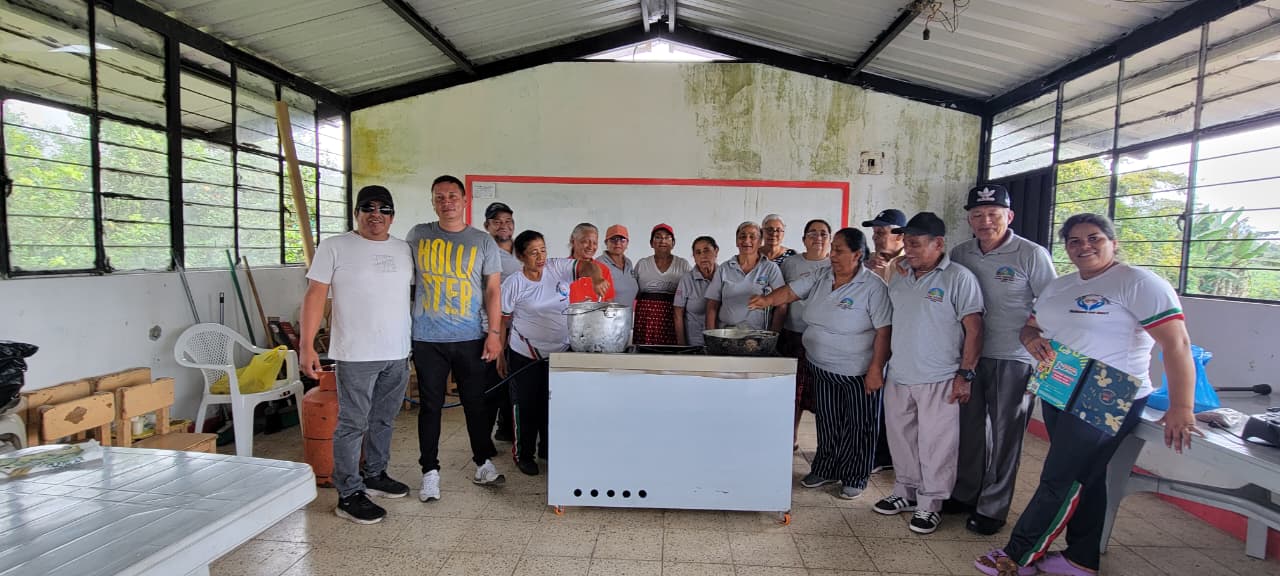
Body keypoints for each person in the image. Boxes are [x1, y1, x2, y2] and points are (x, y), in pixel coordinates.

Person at [975, 213, 1199, 576]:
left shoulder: (1137, 282)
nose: (1084, 247)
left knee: (1060, 476)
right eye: (1074, 241)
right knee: (1088, 476)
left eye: (1094, 238)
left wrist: (1181, 406)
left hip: (1108, 390)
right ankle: (1080, 559)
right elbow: (1030, 327)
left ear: (1113, 242)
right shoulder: (1060, 286)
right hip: (1059, 384)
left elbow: (1177, 344)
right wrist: (1031, 339)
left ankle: (1018, 555)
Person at [749, 228, 891, 500]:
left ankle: (855, 476)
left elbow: (884, 331)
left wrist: (876, 369)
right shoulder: (822, 275)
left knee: (858, 425)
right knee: (827, 420)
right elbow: (791, 291)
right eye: (832, 248)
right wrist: (766, 300)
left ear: (857, 255)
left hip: (858, 371)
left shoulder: (873, 287)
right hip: (821, 365)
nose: (832, 254)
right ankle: (826, 468)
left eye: (838, 250)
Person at [300, 185, 414, 524]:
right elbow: (315, 295)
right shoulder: (334, 247)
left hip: (397, 351)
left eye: (384, 209)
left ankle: (375, 474)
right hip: (356, 353)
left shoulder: (403, 249)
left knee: (383, 420)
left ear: (392, 216)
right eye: (368, 207)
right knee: (352, 423)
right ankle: (348, 493)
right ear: (356, 213)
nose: (376, 214)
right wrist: (306, 344)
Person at [949, 184, 1056, 535]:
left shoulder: (1031, 254)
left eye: (993, 214)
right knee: (969, 429)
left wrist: (1032, 330)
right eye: (977, 215)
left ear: (1009, 216)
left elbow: (1052, 301)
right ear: (969, 219)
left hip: (1014, 358)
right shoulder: (961, 253)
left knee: (1006, 435)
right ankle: (966, 493)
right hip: (970, 355)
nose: (985, 221)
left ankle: (992, 507)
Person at [872, 212, 984, 535]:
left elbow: (975, 329)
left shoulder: (959, 278)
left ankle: (931, 504)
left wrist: (965, 374)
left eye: (916, 244)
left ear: (938, 244)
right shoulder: (901, 275)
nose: (909, 250)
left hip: (940, 377)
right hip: (900, 374)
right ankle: (905, 492)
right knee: (901, 439)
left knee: (936, 445)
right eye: (906, 243)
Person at [407, 175, 506, 504]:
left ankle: (482, 463)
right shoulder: (418, 235)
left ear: (464, 201)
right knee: (430, 406)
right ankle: (429, 472)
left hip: (469, 336)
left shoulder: (482, 241)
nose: (446, 201)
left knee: (475, 404)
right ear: (433, 202)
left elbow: (493, 290)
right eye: (439, 197)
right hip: (427, 338)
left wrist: (494, 334)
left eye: (452, 195)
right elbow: (405, 283)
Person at [498, 230, 607, 476]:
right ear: (521, 256)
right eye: (533, 253)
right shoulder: (514, 283)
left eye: (543, 250)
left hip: (560, 352)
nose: (541, 257)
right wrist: (500, 354)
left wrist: (597, 278)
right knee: (526, 406)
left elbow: (587, 266)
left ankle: (548, 449)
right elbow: (503, 321)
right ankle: (524, 454)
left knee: (554, 404)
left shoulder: (557, 268)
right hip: (526, 354)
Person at [778, 219, 832, 450]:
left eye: (823, 233)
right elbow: (780, 296)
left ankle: (826, 443)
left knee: (820, 392)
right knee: (793, 390)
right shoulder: (790, 264)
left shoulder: (835, 264)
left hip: (823, 338)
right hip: (793, 333)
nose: (818, 238)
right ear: (803, 239)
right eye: (812, 233)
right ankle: (791, 435)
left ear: (830, 239)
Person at [863, 208, 908, 474]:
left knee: (893, 404)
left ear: (899, 236)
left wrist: (883, 277)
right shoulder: (870, 261)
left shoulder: (910, 263)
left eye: (882, 232)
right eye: (875, 233)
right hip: (873, 340)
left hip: (900, 342)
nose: (876, 237)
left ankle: (887, 455)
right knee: (874, 399)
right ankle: (876, 452)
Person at [483, 202, 520, 443]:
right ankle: (484, 443)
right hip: (493, 328)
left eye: (507, 221)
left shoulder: (521, 250)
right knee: (492, 384)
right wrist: (494, 332)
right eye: (497, 222)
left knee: (512, 382)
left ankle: (507, 429)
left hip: (519, 328)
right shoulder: (485, 251)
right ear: (487, 226)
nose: (503, 226)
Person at [706, 222, 785, 331]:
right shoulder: (724, 268)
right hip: (726, 333)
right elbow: (712, 305)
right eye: (742, 236)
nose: (747, 241)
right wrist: (711, 335)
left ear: (760, 242)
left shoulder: (770, 268)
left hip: (757, 335)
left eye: (752, 237)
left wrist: (773, 334)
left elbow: (782, 303)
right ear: (736, 241)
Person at [632, 224, 692, 345]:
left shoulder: (682, 264)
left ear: (673, 243)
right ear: (651, 243)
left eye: (667, 237)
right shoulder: (642, 264)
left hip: (673, 316)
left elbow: (690, 290)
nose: (663, 241)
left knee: (670, 350)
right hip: (646, 318)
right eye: (658, 237)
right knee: (645, 351)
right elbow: (634, 292)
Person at [674, 236, 719, 346]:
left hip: (721, 342)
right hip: (695, 343)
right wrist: (682, 346)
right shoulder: (687, 280)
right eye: (698, 252)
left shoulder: (724, 275)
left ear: (716, 251)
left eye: (706, 250)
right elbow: (677, 314)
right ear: (694, 257)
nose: (703, 256)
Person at [567, 223, 617, 303]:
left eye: (595, 243)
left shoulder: (603, 269)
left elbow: (608, 301)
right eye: (585, 242)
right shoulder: (562, 267)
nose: (590, 247)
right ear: (573, 241)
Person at [864, 209, 908, 284]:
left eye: (880, 232)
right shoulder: (868, 261)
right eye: (874, 232)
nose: (874, 237)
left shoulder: (912, 263)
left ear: (899, 236)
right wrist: (863, 270)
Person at [599, 224, 639, 306]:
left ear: (627, 243)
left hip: (628, 313)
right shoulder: (599, 263)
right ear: (606, 242)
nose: (618, 243)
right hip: (608, 313)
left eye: (622, 239)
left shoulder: (629, 263)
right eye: (613, 239)